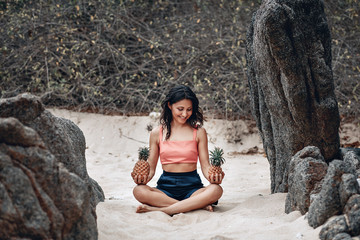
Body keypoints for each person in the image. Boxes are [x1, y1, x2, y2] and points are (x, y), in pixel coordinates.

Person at [132, 85, 224, 216]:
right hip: (165, 189)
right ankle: (194, 205)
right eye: (180, 109)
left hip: (193, 189)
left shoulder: (199, 132)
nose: (185, 114)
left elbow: (205, 166)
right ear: (170, 105)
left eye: (189, 109)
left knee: (216, 190)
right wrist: (141, 178)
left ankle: (161, 209)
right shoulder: (157, 133)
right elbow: (151, 169)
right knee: (139, 191)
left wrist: (214, 176)